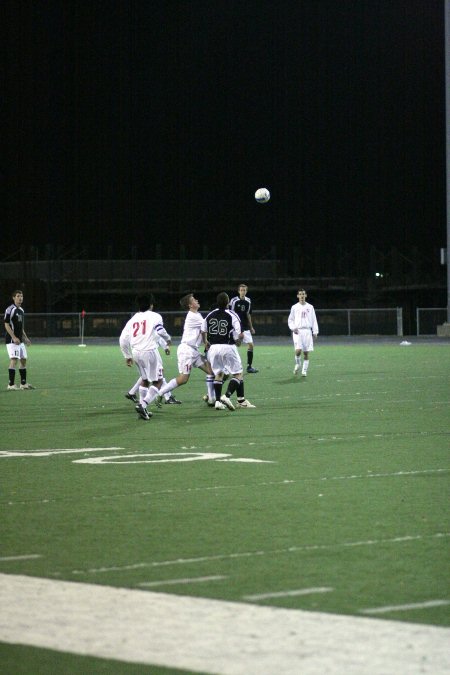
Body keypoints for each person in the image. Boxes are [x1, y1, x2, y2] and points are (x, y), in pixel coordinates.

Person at [139, 293, 215, 409]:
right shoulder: (193, 316)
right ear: (190, 305)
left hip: (193, 350)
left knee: (212, 372)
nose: (197, 300)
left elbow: (203, 330)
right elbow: (208, 326)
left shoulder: (197, 315)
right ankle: (160, 393)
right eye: (194, 300)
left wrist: (205, 341)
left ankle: (211, 398)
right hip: (186, 350)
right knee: (183, 379)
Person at [119, 294, 171, 420]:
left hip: (136, 352)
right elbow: (160, 330)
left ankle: (143, 409)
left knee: (145, 379)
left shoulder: (132, 319)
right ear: (151, 305)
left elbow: (123, 339)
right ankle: (143, 405)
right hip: (150, 352)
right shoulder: (155, 316)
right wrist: (168, 339)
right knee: (158, 380)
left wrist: (127, 355)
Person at [202, 292, 255, 410]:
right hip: (227, 347)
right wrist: (238, 341)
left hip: (213, 348)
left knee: (219, 374)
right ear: (228, 303)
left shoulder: (210, 314)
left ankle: (217, 402)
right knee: (238, 373)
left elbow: (203, 329)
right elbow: (240, 334)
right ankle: (227, 396)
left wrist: (205, 341)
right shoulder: (231, 314)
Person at [125, 335, 181, 405]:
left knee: (147, 375)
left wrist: (127, 355)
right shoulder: (151, 324)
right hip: (150, 350)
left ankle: (132, 393)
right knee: (158, 374)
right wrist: (166, 344)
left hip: (138, 350)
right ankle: (167, 397)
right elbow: (158, 333)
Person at [4, 289, 34, 390]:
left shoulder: (21, 310)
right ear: (13, 298)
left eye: (21, 296)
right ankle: (11, 384)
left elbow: (21, 327)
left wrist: (25, 338)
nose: (20, 298)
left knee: (23, 360)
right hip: (12, 341)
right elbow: (6, 324)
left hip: (20, 340)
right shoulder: (10, 309)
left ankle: (23, 384)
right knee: (14, 360)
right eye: (17, 296)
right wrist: (13, 337)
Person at [287, 289, 319, 376]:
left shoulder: (310, 307)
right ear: (297, 296)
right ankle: (298, 363)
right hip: (298, 331)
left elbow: (314, 320)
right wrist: (293, 328)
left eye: (303, 294)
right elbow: (290, 320)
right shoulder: (294, 307)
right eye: (300, 294)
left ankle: (304, 371)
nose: (302, 296)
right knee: (298, 351)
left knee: (306, 352)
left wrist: (315, 331)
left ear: (306, 295)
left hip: (307, 331)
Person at [229, 283, 258, 373]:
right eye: (241, 290)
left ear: (246, 291)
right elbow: (230, 313)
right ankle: (230, 367)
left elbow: (248, 314)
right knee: (235, 346)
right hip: (235, 327)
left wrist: (251, 327)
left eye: (244, 290)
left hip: (245, 327)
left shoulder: (248, 301)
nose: (243, 292)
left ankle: (249, 366)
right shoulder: (234, 301)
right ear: (238, 291)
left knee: (251, 345)